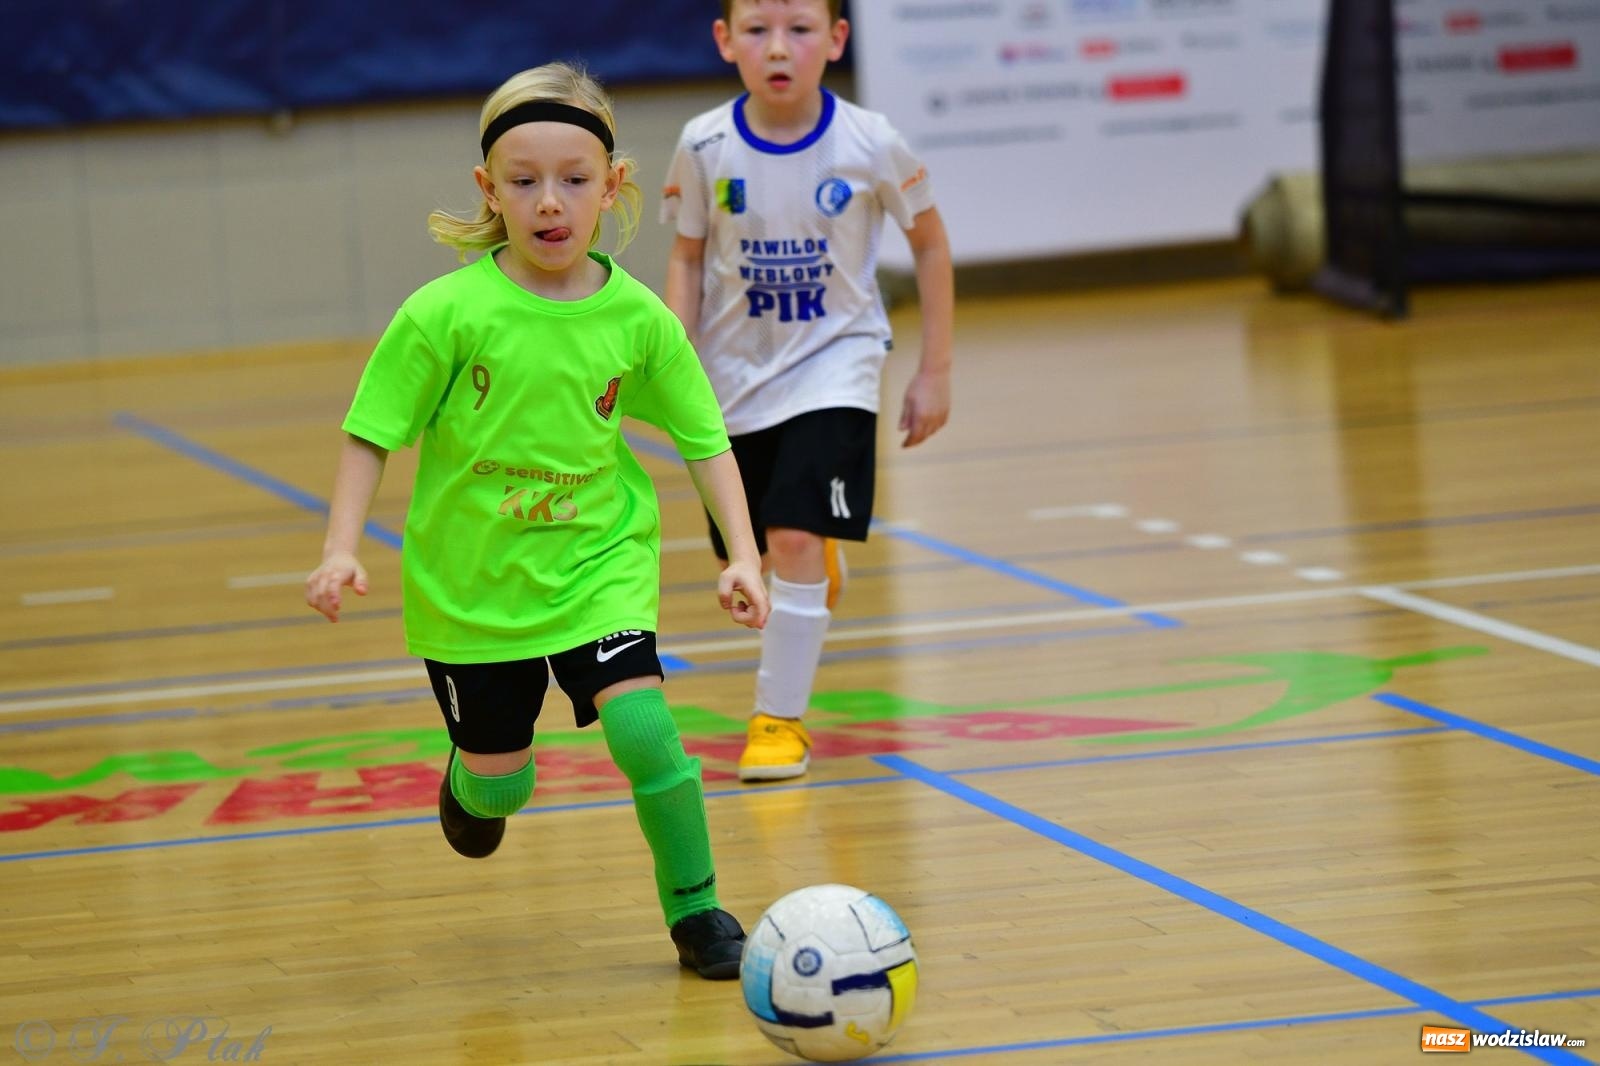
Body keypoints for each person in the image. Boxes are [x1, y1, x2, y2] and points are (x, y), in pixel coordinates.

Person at [304, 61, 770, 980]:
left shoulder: (636, 319)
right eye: (524, 182)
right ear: (490, 190)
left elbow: (704, 438)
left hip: (598, 562)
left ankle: (698, 912)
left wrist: (743, 557)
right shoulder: (445, 313)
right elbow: (372, 433)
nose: (549, 202)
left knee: (647, 735)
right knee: (499, 789)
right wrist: (338, 549)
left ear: (613, 186)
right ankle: (474, 781)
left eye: (574, 179)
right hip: (472, 588)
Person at [662, 0, 954, 782]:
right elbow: (688, 259)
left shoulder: (870, 141)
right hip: (732, 379)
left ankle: (777, 722)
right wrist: (670, 361)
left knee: (792, 539)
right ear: (725, 41)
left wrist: (935, 370)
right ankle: (812, 568)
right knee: (750, 555)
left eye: (799, 28)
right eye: (757, 30)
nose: (779, 47)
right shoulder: (703, 144)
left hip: (837, 366)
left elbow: (929, 246)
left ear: (837, 39)